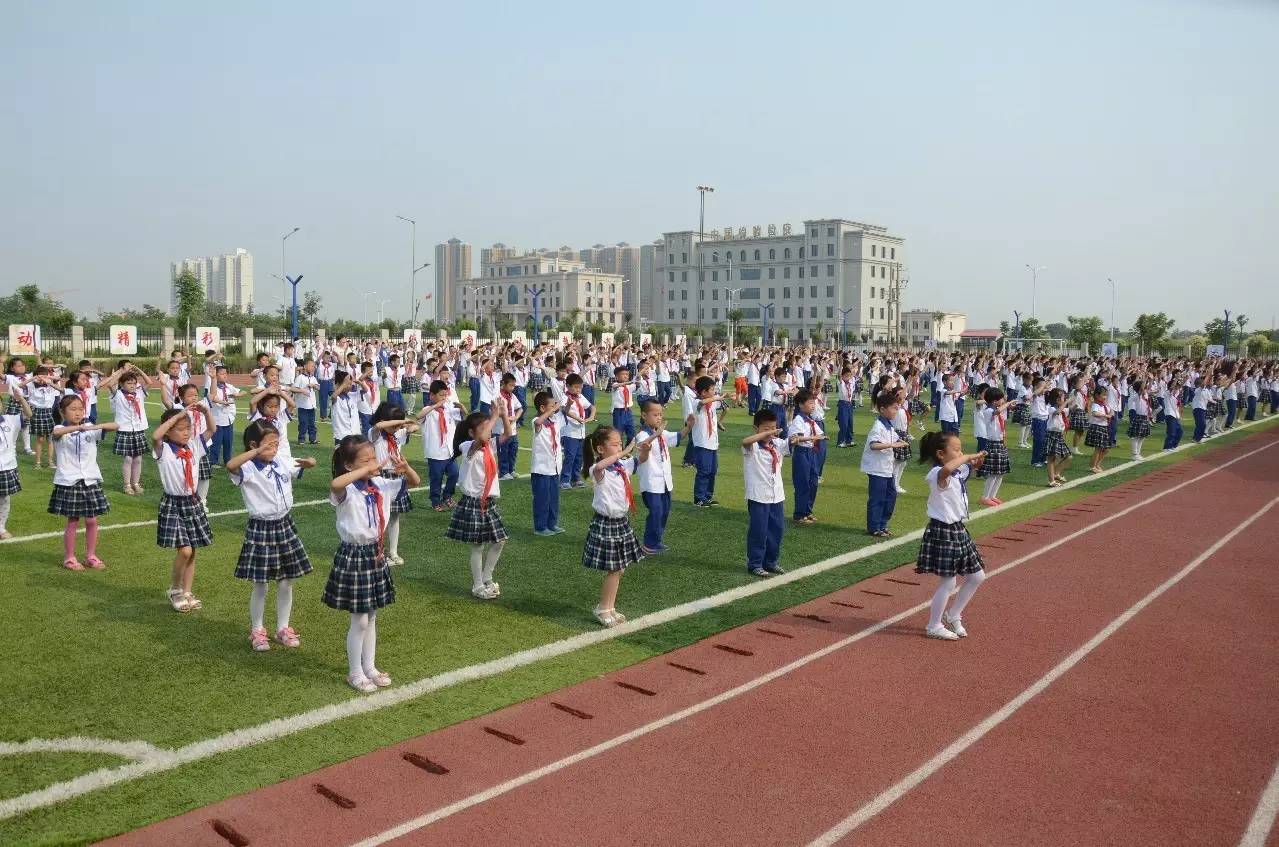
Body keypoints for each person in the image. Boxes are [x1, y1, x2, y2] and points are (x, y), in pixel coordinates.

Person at [324, 434, 418, 693]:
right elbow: (335, 483)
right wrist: (365, 470)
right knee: (360, 620)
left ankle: (370, 667)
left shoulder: (381, 484)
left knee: (372, 616)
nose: (372, 463)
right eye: (364, 460)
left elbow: (414, 481)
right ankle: (355, 672)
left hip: (375, 553)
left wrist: (405, 467)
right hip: (354, 554)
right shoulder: (348, 489)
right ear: (349, 466)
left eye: (373, 458)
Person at [228, 419, 317, 650]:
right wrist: (256, 452)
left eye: (276, 444)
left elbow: (300, 464)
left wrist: (308, 463)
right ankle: (257, 630)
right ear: (253, 444)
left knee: (286, 580)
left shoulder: (280, 461)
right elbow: (230, 465)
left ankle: (282, 628)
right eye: (269, 445)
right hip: (261, 527)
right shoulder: (247, 467)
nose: (274, 449)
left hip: (284, 524)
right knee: (261, 584)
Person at [915, 430, 987, 641]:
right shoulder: (937, 474)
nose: (961, 453)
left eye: (961, 449)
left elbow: (964, 470)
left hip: (957, 529)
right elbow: (947, 470)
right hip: (943, 530)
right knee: (948, 582)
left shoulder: (956, 471)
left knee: (977, 575)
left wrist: (976, 463)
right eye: (956, 450)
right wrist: (966, 458)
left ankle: (953, 614)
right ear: (940, 453)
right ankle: (934, 625)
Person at [581, 425, 650, 627]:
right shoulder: (597, 469)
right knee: (615, 568)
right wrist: (625, 451)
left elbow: (641, 461)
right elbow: (601, 467)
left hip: (621, 522)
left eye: (620, 443)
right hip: (606, 523)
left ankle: (609, 607)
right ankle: (603, 608)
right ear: (600, 449)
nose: (619, 447)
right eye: (614, 444)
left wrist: (644, 450)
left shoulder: (621, 465)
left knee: (620, 569)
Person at [151, 409, 214, 612]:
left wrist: (205, 412)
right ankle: (175, 589)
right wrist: (175, 418)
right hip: (173, 503)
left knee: (192, 550)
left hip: (192, 502)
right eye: (180, 429)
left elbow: (212, 429)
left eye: (188, 428)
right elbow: (155, 436)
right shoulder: (164, 449)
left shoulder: (194, 446)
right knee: (184, 550)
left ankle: (187, 592)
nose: (186, 432)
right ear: (169, 430)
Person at [445, 405, 509, 599]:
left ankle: (486, 576)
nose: (488, 433)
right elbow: (481, 439)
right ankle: (478, 585)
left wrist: (504, 416)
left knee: (500, 540)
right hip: (473, 502)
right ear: (471, 433)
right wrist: (494, 416)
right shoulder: (467, 447)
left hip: (488, 502)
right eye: (483, 429)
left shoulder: (489, 446)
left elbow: (507, 433)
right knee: (478, 545)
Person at [48, 395, 118, 570]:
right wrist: (77, 428)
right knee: (73, 520)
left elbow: (116, 426)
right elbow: (56, 433)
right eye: (73, 409)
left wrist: (93, 427)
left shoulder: (89, 428)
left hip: (90, 478)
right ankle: (70, 558)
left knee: (92, 520)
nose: (78, 412)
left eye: (80, 408)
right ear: (62, 412)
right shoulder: (59, 428)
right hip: (69, 480)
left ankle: (91, 556)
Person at [634, 398, 687, 554]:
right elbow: (643, 445)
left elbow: (677, 437)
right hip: (651, 483)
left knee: (664, 510)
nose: (659, 418)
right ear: (644, 415)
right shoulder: (642, 434)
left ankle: (657, 540)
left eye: (660, 414)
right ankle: (649, 544)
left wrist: (689, 426)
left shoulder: (662, 433)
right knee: (656, 511)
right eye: (655, 414)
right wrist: (656, 434)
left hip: (664, 481)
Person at [368, 401, 418, 566]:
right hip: (379, 479)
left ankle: (393, 552)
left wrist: (407, 427)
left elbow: (415, 426)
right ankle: (377, 550)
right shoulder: (374, 434)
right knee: (378, 516)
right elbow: (379, 425)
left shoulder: (396, 434)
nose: (396, 428)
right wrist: (401, 422)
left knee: (394, 517)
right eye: (394, 424)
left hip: (396, 477)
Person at [743, 408, 788, 577]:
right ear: (757, 429)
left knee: (776, 530)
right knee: (759, 531)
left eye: (773, 428)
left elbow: (790, 442)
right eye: (766, 429)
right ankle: (755, 563)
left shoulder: (777, 444)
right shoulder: (753, 447)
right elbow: (745, 441)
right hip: (759, 496)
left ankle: (771, 562)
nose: (770, 433)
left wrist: (799, 439)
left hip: (776, 495)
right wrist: (765, 435)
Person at [100, 363, 153, 495]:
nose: (132, 385)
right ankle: (127, 484)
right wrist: (121, 372)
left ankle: (136, 483)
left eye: (134, 383)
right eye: (129, 383)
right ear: (122, 384)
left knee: (138, 458)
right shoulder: (117, 394)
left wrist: (138, 370)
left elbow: (149, 382)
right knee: (128, 458)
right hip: (125, 429)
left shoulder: (140, 393)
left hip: (138, 429)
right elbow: (110, 384)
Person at [861, 391, 907, 537]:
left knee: (891, 495)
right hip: (877, 468)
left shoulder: (888, 425)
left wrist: (901, 442)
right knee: (877, 498)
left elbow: (896, 439)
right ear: (882, 409)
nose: (896, 411)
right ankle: (874, 527)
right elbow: (874, 445)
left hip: (887, 468)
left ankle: (882, 523)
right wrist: (893, 445)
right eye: (893, 408)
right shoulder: (878, 426)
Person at [417, 379, 463, 512]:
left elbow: (461, 418)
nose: (444, 398)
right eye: (441, 395)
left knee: (454, 473)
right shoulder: (428, 410)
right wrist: (434, 406)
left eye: (445, 395)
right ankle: (435, 501)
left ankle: (447, 496)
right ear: (432, 395)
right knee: (436, 478)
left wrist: (462, 409)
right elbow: (418, 416)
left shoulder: (448, 408)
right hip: (435, 452)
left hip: (449, 450)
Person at [787, 388, 826, 524]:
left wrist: (819, 437)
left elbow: (819, 434)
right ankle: (799, 514)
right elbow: (795, 438)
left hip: (812, 453)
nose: (813, 405)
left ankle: (808, 511)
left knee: (813, 482)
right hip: (802, 453)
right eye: (810, 403)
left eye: (813, 403)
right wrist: (814, 437)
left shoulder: (810, 420)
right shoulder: (798, 420)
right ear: (801, 405)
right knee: (802, 483)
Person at [529, 390, 565, 536]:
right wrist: (552, 410)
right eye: (551, 406)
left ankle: (552, 523)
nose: (554, 408)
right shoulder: (537, 422)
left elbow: (564, 409)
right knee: (542, 499)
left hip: (554, 468)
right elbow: (538, 421)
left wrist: (561, 404)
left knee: (553, 498)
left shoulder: (554, 422)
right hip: (541, 469)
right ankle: (540, 526)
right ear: (542, 408)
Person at [688, 375, 725, 508]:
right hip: (702, 443)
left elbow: (719, 411)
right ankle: (699, 498)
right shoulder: (696, 402)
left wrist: (725, 403)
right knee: (703, 471)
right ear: (703, 392)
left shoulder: (712, 403)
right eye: (712, 390)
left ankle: (708, 496)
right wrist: (717, 398)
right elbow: (702, 403)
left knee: (712, 470)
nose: (714, 392)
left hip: (713, 442)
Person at [976, 386, 1017, 506]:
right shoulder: (988, 411)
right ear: (994, 401)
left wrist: (1009, 406)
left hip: (1000, 443)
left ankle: (992, 495)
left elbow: (1001, 412)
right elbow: (997, 412)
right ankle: (985, 496)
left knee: (1000, 472)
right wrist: (1008, 403)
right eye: (1001, 399)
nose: (1003, 401)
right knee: (993, 472)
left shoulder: (997, 409)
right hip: (993, 444)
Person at [0, 390, 32, 539]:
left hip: (7, 466)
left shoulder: (10, 420)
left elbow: (28, 414)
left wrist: (21, 400)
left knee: (4, 498)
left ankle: (1, 528)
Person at [560, 373, 593, 489]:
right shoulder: (565, 397)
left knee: (579, 457)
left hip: (580, 432)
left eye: (580, 387)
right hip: (569, 432)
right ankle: (564, 480)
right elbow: (565, 410)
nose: (579, 390)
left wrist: (591, 416)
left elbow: (591, 407)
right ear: (568, 386)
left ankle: (575, 478)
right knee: (570, 456)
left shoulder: (580, 397)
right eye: (576, 387)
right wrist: (578, 418)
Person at [26, 366, 60, 469]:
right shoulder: (31, 385)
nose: (42, 379)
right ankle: (38, 462)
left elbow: (58, 378)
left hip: (49, 412)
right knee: (40, 439)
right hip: (38, 412)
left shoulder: (50, 385)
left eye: (44, 376)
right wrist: (33, 378)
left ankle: (50, 462)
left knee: (50, 439)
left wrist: (48, 379)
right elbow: (19, 385)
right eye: (39, 376)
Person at [208, 365, 241, 467]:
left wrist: (237, 395)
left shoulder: (229, 387)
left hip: (229, 419)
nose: (225, 376)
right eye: (222, 374)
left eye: (226, 373)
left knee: (228, 442)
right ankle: (213, 461)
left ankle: (228, 461)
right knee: (216, 442)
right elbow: (213, 398)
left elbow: (243, 392)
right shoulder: (212, 387)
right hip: (217, 419)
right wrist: (223, 402)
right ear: (216, 375)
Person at [494, 372, 522, 480]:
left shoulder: (512, 396)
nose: (512, 388)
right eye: (510, 385)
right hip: (501, 429)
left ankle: (511, 469)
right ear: (503, 384)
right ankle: (503, 472)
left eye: (514, 386)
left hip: (513, 429)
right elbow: (495, 411)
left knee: (513, 450)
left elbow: (520, 408)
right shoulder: (497, 396)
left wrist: (516, 417)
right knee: (503, 451)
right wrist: (505, 417)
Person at [1044, 388, 1072, 487]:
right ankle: (1051, 481)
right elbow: (1057, 412)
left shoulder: (1062, 409)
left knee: (1068, 456)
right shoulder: (1051, 408)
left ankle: (1056, 473)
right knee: (1051, 459)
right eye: (1063, 398)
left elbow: (1071, 409)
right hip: (1052, 434)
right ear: (1057, 399)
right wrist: (1066, 403)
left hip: (1058, 435)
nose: (1065, 399)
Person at [1085, 386, 1115, 473]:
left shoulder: (1104, 405)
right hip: (1097, 427)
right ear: (1097, 396)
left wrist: (1110, 413)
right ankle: (1093, 466)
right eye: (1103, 395)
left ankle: (1097, 464)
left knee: (1106, 449)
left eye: (1106, 395)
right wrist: (1106, 415)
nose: (1105, 397)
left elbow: (1111, 411)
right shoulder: (1095, 405)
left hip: (1104, 427)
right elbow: (1094, 413)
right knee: (1098, 449)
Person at [293, 358, 320, 446]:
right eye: (311, 366)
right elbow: (294, 389)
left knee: (312, 423)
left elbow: (318, 387)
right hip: (302, 405)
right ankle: (301, 438)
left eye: (314, 366)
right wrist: (302, 390)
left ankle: (313, 438)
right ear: (305, 366)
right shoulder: (299, 378)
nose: (313, 368)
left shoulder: (313, 378)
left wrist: (314, 385)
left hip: (312, 405)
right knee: (303, 423)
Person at [1127, 379, 1153, 461]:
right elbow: (1141, 390)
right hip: (1138, 417)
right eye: (1144, 388)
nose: (1145, 390)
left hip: (1144, 417)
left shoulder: (1145, 396)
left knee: (1142, 437)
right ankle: (1134, 454)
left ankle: (1138, 453)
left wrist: (1151, 380)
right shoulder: (1136, 396)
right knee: (1136, 437)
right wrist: (1144, 381)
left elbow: (1147, 388)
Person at [610, 365, 636, 444]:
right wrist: (628, 382)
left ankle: (627, 452)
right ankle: (619, 453)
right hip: (619, 412)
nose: (625, 376)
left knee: (631, 434)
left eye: (627, 374)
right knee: (618, 434)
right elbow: (615, 386)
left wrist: (636, 379)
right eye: (623, 374)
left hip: (628, 412)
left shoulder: (629, 386)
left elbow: (636, 383)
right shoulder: (615, 385)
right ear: (617, 377)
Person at [835, 366, 857, 448]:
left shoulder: (851, 382)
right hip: (843, 404)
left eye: (849, 375)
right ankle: (840, 441)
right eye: (846, 376)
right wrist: (840, 364)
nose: (848, 377)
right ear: (842, 376)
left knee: (850, 423)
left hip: (849, 404)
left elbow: (854, 374)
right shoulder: (841, 383)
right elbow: (839, 375)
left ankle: (849, 440)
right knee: (843, 423)